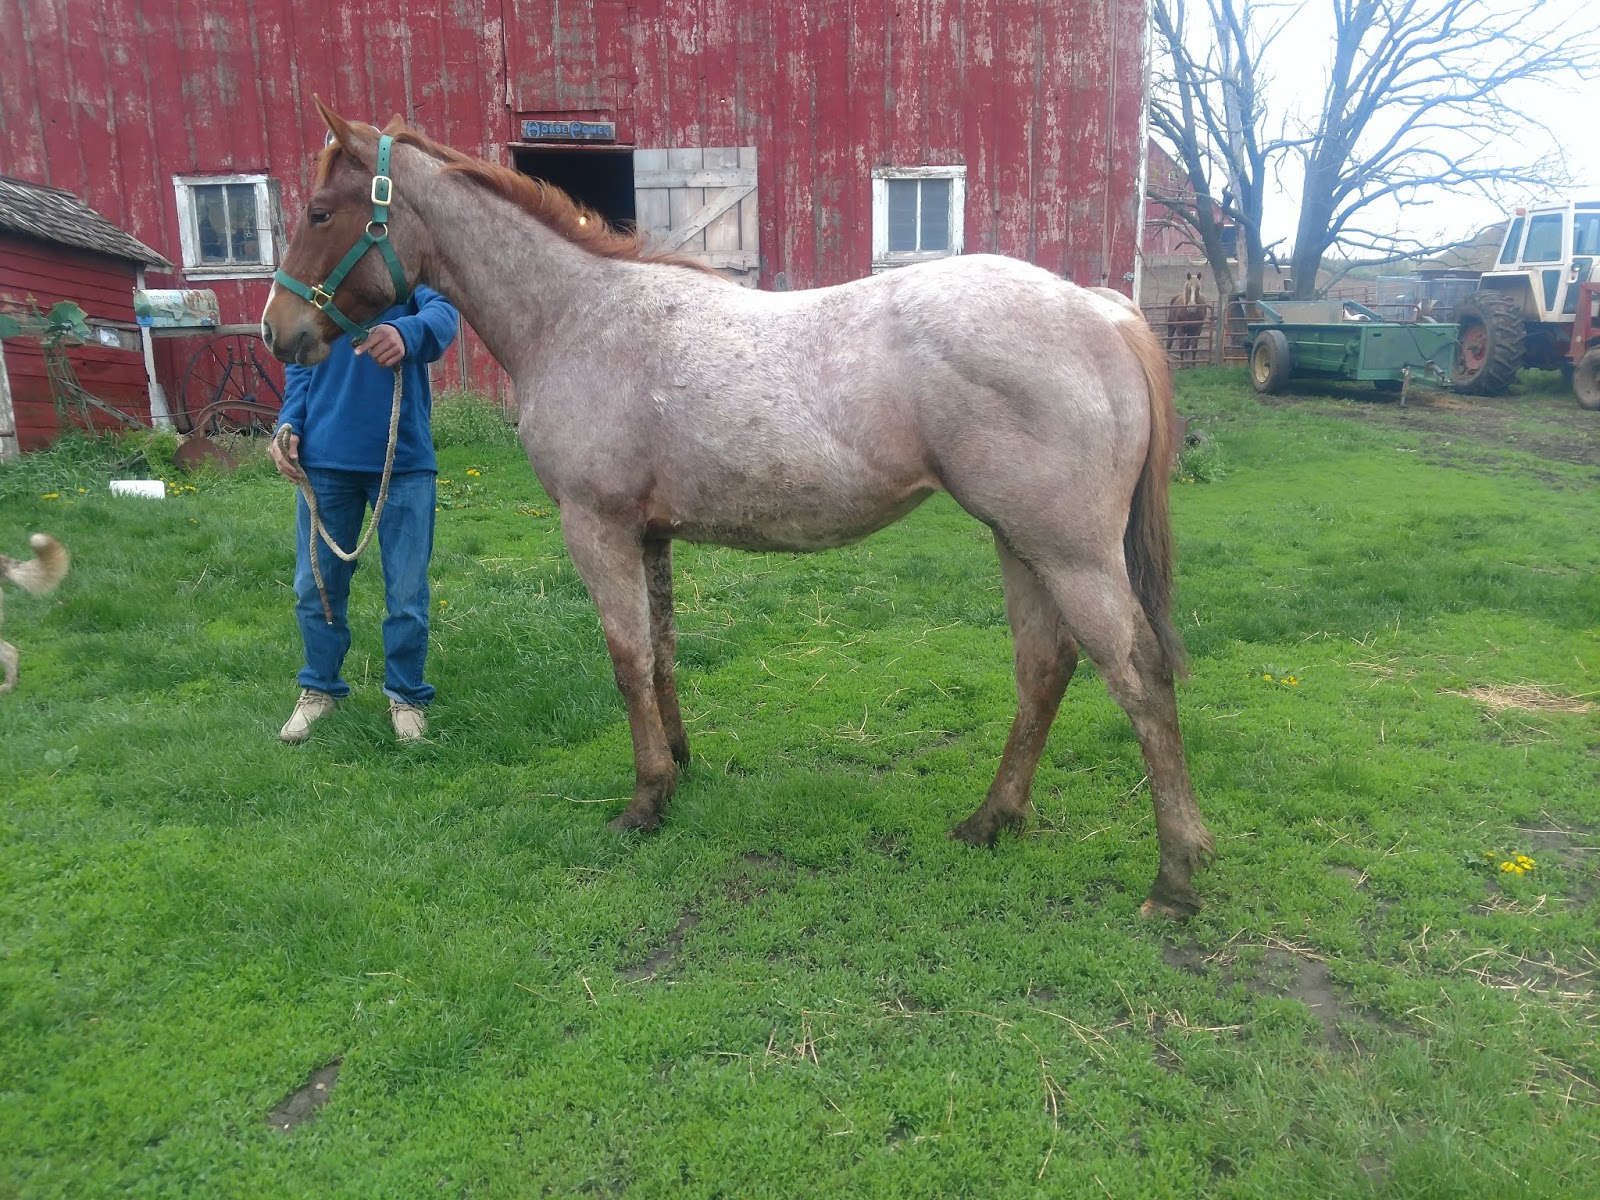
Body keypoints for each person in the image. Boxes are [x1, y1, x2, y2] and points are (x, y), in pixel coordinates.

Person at [269, 285, 460, 744]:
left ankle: (407, 696)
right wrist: (290, 422)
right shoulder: (321, 277)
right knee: (316, 588)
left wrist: (405, 331)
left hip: (403, 460)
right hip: (325, 459)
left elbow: (445, 314)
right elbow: (301, 363)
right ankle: (319, 689)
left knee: (407, 591)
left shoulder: (405, 268)